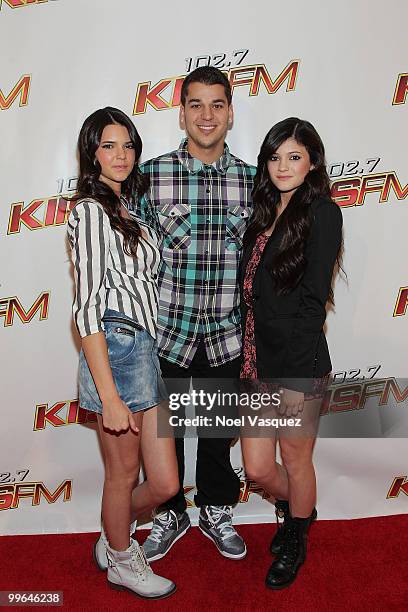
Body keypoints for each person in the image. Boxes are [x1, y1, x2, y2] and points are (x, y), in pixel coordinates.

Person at [132, 67, 256, 561]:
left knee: (216, 433)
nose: (207, 116)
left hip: (226, 334)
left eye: (217, 105)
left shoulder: (253, 181)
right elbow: (132, 257)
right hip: (167, 333)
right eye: (197, 105)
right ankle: (168, 513)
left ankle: (215, 509)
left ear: (230, 113)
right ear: (181, 112)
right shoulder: (151, 175)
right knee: (165, 437)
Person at [67, 107, 178, 600]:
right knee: (123, 475)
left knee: (167, 484)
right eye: (108, 145)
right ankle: (120, 557)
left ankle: (113, 536)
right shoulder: (89, 211)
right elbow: (88, 308)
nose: (121, 155)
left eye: (128, 145)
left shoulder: (126, 209)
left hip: (144, 350)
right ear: (91, 153)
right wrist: (109, 395)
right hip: (116, 347)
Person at [239, 117, 343, 589]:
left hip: (298, 362)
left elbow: (312, 300)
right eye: (275, 156)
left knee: (296, 461)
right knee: (259, 467)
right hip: (255, 359)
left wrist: (298, 381)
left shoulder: (322, 212)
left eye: (294, 156)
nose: (282, 166)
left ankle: (296, 535)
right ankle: (299, 509)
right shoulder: (262, 213)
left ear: (313, 162)